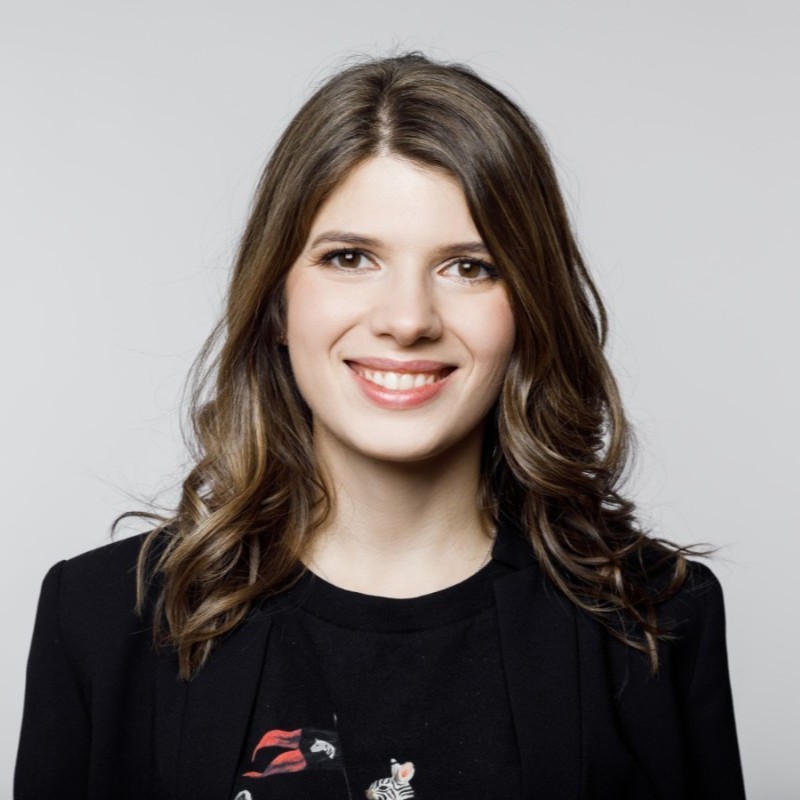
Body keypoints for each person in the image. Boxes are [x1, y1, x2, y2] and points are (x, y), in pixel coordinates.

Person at [15, 53, 745, 799]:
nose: (407, 320)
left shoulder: (655, 621)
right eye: (351, 257)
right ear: (276, 302)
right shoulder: (102, 619)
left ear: (530, 309)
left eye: (469, 267)